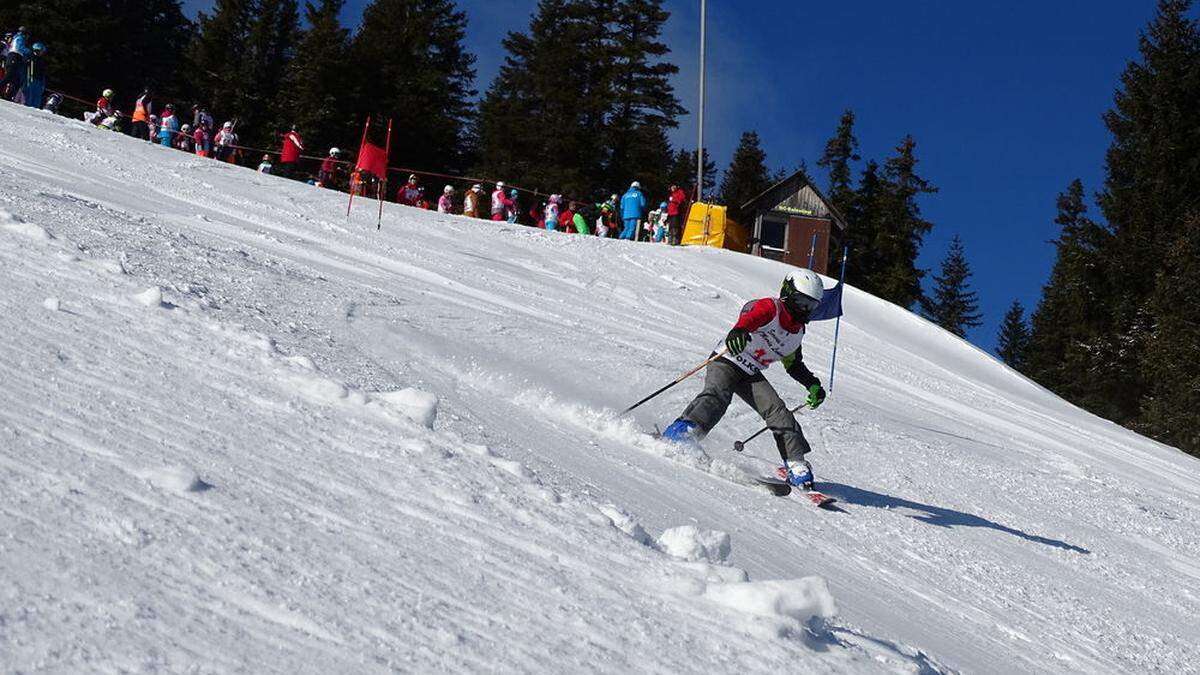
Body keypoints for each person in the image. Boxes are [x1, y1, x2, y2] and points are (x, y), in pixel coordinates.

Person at [661, 269, 829, 489]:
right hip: (728, 359)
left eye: (811, 305)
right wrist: (739, 331)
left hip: (750, 372)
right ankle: (683, 432)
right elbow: (750, 315)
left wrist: (813, 384)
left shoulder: (796, 333)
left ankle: (796, 463)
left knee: (779, 412)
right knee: (718, 395)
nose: (805, 309)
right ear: (788, 293)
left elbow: (794, 365)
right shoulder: (771, 308)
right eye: (801, 301)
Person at [0, 27, 29, 100]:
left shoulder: (18, 37)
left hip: (15, 58)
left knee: (16, 80)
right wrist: (28, 51)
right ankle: (7, 94)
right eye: (27, 34)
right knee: (9, 76)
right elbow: (19, 48)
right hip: (14, 57)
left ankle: (9, 96)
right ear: (24, 33)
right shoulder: (19, 38)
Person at [21, 42, 46, 109]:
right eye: (41, 51)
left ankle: (35, 109)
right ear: (37, 50)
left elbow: (43, 72)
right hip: (30, 79)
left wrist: (43, 83)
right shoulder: (29, 57)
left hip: (38, 81)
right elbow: (24, 69)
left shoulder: (41, 60)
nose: (42, 53)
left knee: (36, 99)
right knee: (28, 97)